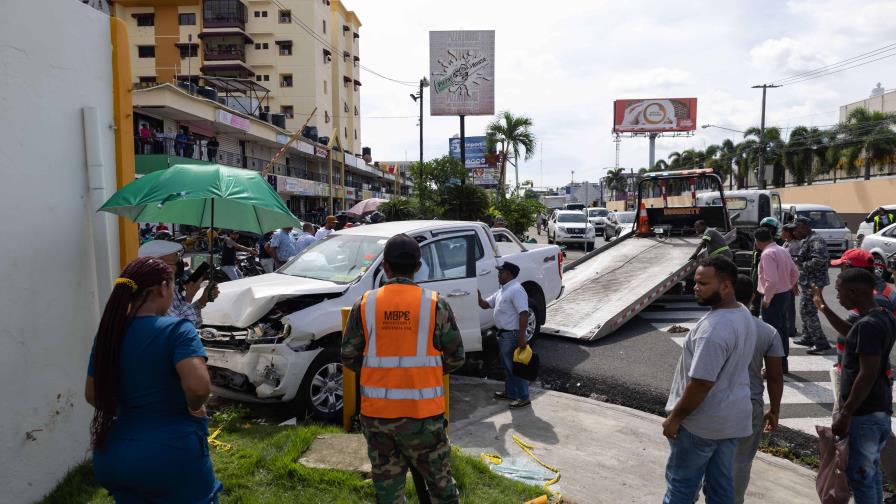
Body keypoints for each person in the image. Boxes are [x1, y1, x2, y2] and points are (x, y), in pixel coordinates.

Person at [85, 256, 221, 502]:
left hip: (114, 455)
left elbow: (92, 395)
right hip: (172, 455)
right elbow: (198, 387)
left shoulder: (108, 334)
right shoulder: (178, 330)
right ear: (163, 287)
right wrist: (194, 408)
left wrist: (133, 411)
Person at [341, 234, 465, 503]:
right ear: (418, 267)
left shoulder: (364, 304)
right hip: (424, 419)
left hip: (377, 418)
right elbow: (456, 357)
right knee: (441, 488)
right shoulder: (435, 304)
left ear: (384, 266)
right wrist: (425, 372)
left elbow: (349, 356)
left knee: (388, 491)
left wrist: (379, 374)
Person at [662, 256, 756, 504]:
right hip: (731, 422)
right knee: (721, 487)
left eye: (703, 283)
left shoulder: (714, 329)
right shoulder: (743, 312)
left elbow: (701, 383)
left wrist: (674, 419)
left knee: (680, 485)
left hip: (701, 425)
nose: (695, 287)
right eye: (695, 282)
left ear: (726, 286)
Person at [815, 268, 896, 503]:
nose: (838, 297)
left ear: (854, 292)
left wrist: (846, 414)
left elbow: (867, 374)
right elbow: (852, 334)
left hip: (864, 415)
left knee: (861, 477)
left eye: (839, 292)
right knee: (869, 476)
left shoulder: (868, 325)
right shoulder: (882, 316)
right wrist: (823, 307)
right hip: (877, 411)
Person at [732, 275, 784, 503]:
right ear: (753, 296)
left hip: (710, 402)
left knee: (704, 456)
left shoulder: (710, 325)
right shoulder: (768, 332)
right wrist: (775, 410)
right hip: (748, 404)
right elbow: (774, 377)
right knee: (740, 462)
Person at [477, 261, 531, 409]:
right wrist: (476, 295)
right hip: (503, 335)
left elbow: (524, 313)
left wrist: (521, 336)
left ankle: (524, 397)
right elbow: (485, 304)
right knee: (507, 367)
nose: (498, 275)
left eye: (501, 272)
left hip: (512, 335)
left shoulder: (516, 290)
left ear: (508, 274)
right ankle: (511, 393)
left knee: (515, 367)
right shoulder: (503, 290)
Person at [138, 240, 215, 327]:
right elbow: (180, 328)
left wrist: (202, 301)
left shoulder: (171, 287)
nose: (180, 265)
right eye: (176, 261)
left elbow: (195, 322)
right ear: (159, 265)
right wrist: (189, 297)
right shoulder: (155, 293)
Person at [755, 227, 798, 374]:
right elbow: (795, 272)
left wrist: (767, 298)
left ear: (758, 241)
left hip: (773, 296)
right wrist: (789, 285)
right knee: (782, 330)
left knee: (771, 333)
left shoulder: (767, 254)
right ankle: (782, 364)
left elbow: (771, 280)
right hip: (784, 294)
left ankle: (774, 368)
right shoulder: (782, 250)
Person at [792, 216, 834, 354]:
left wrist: (801, 265)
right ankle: (808, 336)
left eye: (797, 229)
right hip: (808, 280)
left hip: (814, 281)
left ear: (804, 227)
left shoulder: (816, 240)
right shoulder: (807, 239)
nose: (795, 232)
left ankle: (821, 342)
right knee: (804, 309)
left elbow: (820, 260)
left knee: (809, 310)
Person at [781, 223, 802, 340]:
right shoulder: (787, 243)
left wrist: (794, 283)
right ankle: (789, 327)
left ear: (788, 233)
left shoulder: (794, 245)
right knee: (786, 304)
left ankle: (790, 329)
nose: (781, 233)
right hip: (785, 279)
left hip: (790, 280)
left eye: (783, 231)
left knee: (789, 304)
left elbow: (794, 266)